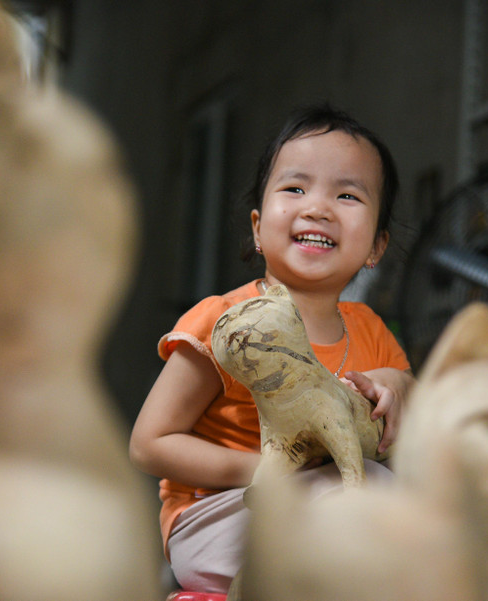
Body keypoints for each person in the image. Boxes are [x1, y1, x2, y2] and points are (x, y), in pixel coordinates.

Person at [129, 104, 414, 594]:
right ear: (259, 228)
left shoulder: (370, 331)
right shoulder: (227, 323)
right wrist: (265, 470)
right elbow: (148, 444)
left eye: (347, 195)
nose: (318, 207)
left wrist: (395, 385)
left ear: (376, 248)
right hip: (219, 516)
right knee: (369, 493)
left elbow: (412, 407)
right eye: (295, 189)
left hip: (329, 508)